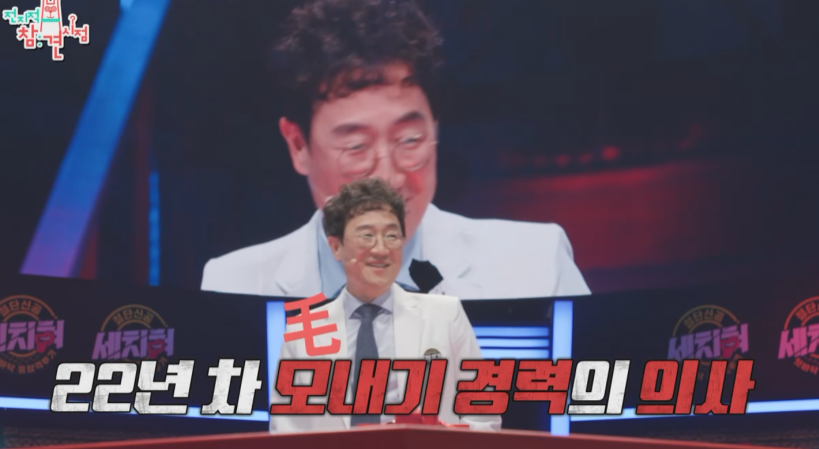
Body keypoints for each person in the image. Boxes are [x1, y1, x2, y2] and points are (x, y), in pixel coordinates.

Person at [201, 0, 590, 300]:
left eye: (409, 140)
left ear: (435, 126)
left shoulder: (534, 268)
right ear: (299, 146)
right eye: (356, 146)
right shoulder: (235, 286)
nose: (387, 178)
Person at [269, 178, 501, 432]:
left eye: (392, 236)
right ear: (336, 247)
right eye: (366, 236)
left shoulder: (445, 315)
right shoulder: (302, 333)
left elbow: (485, 421)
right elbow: (286, 435)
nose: (381, 249)